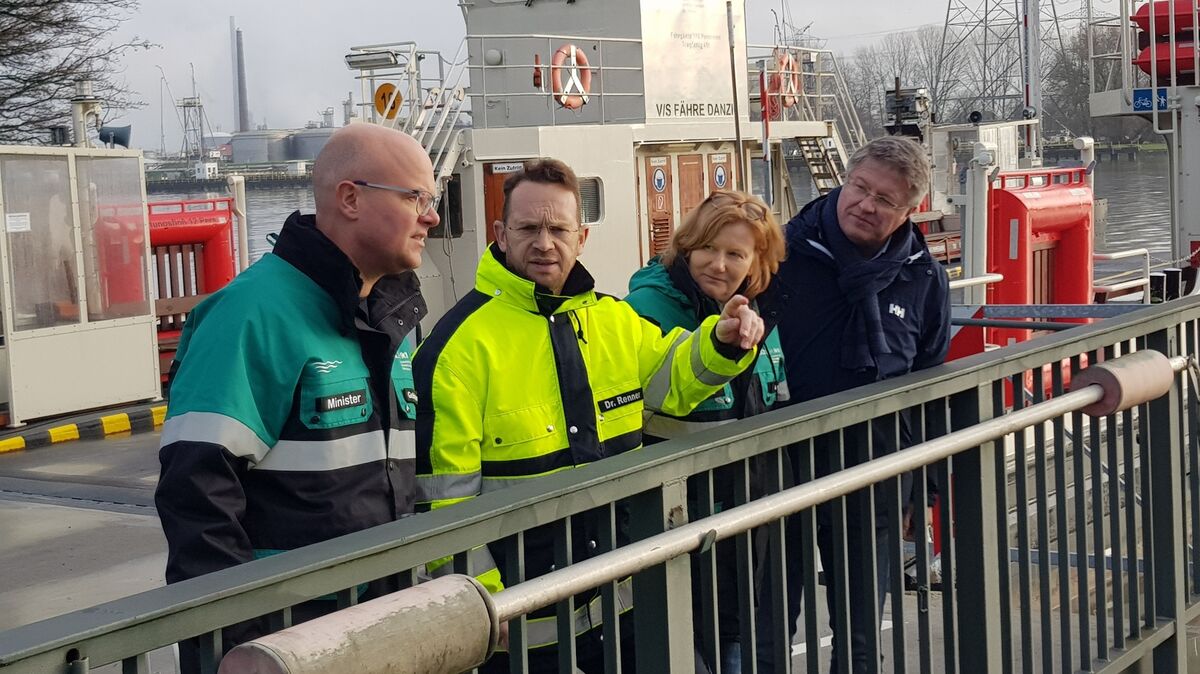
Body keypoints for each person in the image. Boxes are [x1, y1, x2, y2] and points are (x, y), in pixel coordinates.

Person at [413, 158, 766, 673]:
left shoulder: (614, 319)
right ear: (500, 234)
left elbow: (674, 381)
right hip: (523, 622)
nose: (544, 243)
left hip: (623, 598)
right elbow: (444, 500)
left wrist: (721, 341)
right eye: (528, 228)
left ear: (581, 237)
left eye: (558, 229)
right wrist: (484, 602)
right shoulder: (458, 346)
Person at [155, 123, 439, 669]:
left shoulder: (390, 316)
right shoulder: (249, 315)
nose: (431, 216)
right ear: (350, 198)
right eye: (415, 198)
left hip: (373, 632)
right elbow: (197, 495)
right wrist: (246, 647)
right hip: (289, 644)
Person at [758, 136, 951, 673]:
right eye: (860, 188)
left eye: (885, 200)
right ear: (844, 180)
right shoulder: (780, 255)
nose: (866, 205)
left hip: (878, 478)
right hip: (782, 473)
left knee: (860, 639)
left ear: (909, 210)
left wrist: (925, 486)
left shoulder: (922, 277)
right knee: (769, 634)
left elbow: (930, 381)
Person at [624, 189, 788, 674]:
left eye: (735, 254)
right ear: (685, 247)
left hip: (742, 530)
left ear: (755, 263)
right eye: (707, 249)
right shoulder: (647, 311)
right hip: (676, 532)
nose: (717, 264)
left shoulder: (760, 317)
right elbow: (658, 398)